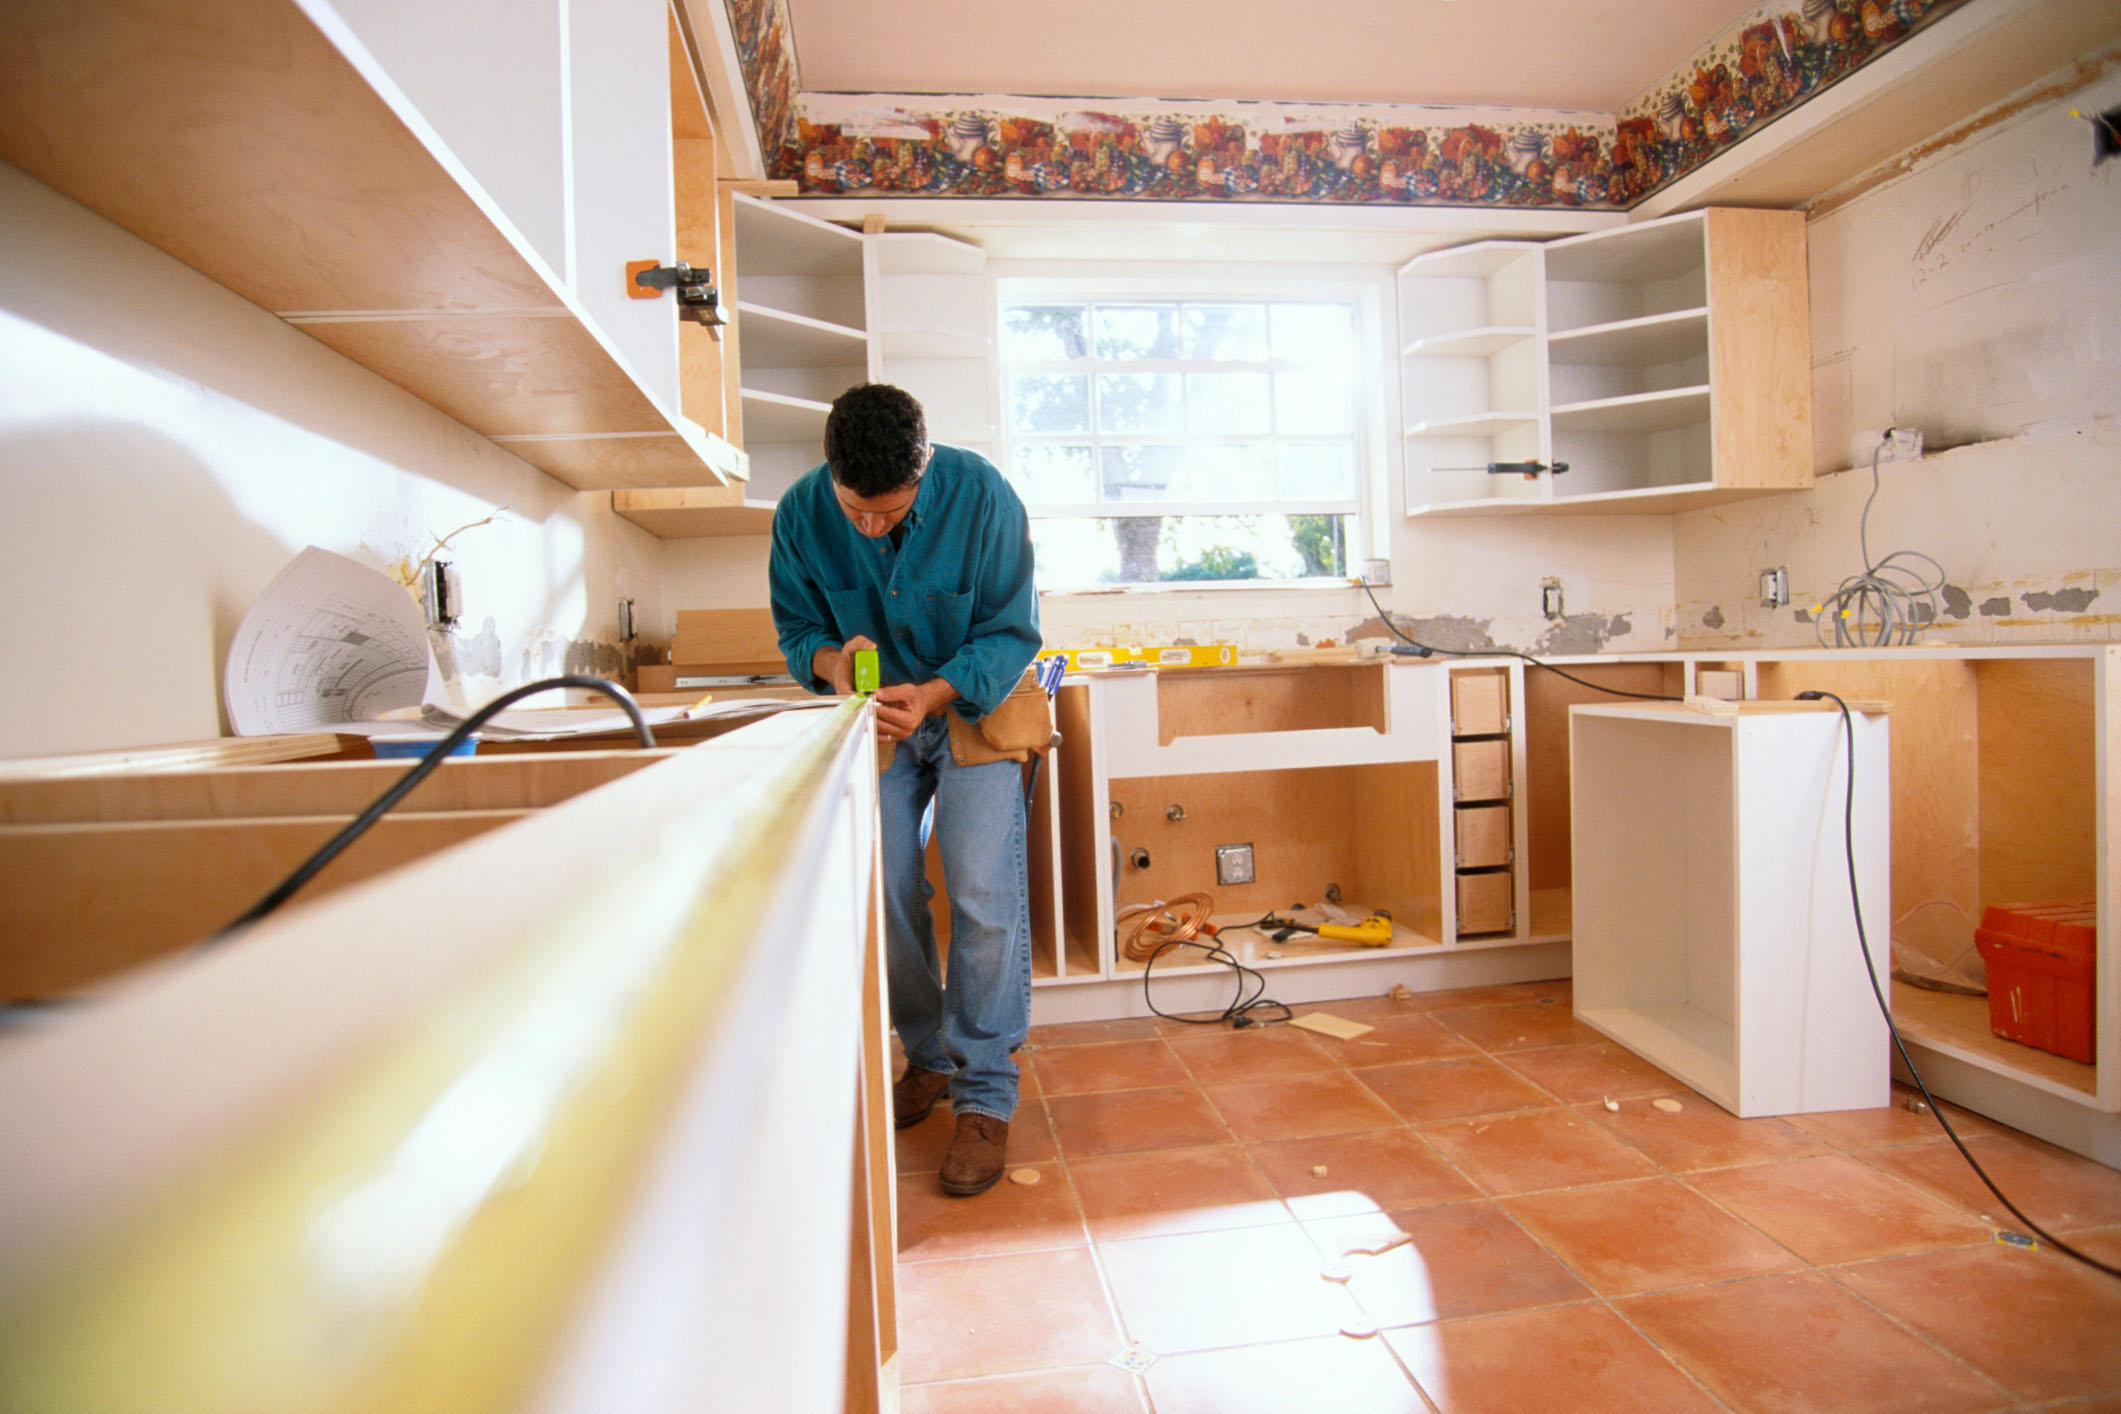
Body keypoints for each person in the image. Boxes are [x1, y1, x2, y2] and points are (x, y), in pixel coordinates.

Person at [768, 383, 1042, 1196]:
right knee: (885, 891)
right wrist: (829, 661)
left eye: (889, 512)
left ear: (922, 471)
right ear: (832, 474)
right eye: (857, 511)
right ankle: (926, 1059)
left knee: (982, 889)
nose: (871, 527)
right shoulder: (799, 514)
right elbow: (796, 632)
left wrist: (934, 692)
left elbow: (1011, 630)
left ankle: (985, 1094)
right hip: (874, 719)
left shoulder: (982, 494)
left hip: (969, 705)